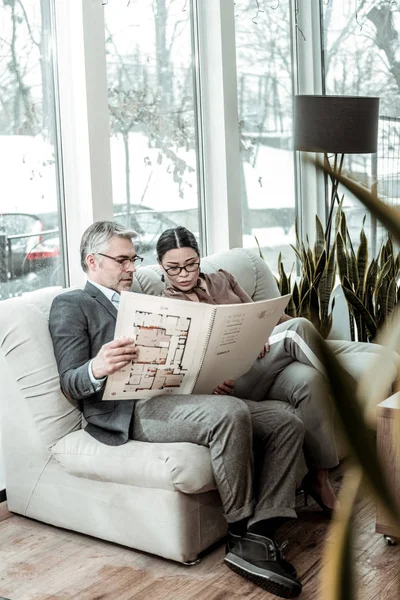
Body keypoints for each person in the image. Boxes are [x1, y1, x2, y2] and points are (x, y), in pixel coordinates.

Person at [49, 221, 304, 599]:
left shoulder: (147, 301)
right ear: (92, 261)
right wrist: (97, 367)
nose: (132, 268)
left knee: (286, 420)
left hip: (177, 394)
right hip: (129, 410)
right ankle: (239, 534)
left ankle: (261, 530)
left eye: (133, 259)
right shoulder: (72, 304)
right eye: (122, 260)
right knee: (230, 414)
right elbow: (71, 381)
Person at [156, 226, 340, 520]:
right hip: (230, 385)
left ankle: (319, 479)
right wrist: (209, 381)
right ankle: (355, 398)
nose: (184, 274)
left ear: (199, 258)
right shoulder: (165, 306)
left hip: (262, 365)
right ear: (160, 267)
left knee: (310, 379)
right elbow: (179, 365)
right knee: (298, 331)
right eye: (173, 268)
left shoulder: (223, 280)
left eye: (190, 264)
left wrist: (265, 330)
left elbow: (265, 315)